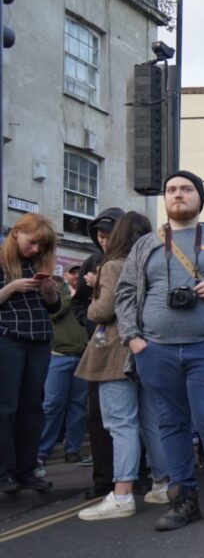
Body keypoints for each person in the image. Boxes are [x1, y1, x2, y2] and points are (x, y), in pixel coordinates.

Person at [115, 170, 204, 531]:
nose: (177, 195)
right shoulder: (145, 245)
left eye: (186, 189)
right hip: (155, 350)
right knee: (171, 424)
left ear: (200, 197)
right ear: (165, 198)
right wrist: (134, 339)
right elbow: (126, 292)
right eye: (171, 190)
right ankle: (183, 499)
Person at [75, 212, 171, 520]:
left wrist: (92, 303)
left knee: (120, 424)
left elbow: (104, 311)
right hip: (150, 346)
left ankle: (122, 495)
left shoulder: (113, 265)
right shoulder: (155, 263)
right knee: (151, 421)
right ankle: (163, 483)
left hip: (115, 350)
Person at [0, 213, 61, 494]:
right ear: (16, 233)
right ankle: (5, 473)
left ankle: (26, 470)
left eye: (41, 246)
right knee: (6, 408)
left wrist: (50, 293)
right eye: (32, 242)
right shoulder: (3, 262)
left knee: (33, 408)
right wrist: (11, 287)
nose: (36, 249)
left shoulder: (39, 264)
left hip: (39, 340)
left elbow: (53, 309)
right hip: (8, 339)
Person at [70, 206, 123, 500]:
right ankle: (103, 479)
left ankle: (136, 473)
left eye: (108, 236)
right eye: (99, 236)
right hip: (100, 346)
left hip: (128, 344)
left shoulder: (133, 260)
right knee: (98, 414)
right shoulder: (91, 261)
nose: (103, 241)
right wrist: (94, 324)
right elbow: (78, 304)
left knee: (129, 415)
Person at [37, 274, 89, 468]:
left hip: (82, 355)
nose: (76, 276)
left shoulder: (83, 295)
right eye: (72, 273)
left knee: (79, 407)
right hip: (58, 355)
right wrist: (70, 296)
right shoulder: (60, 295)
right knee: (52, 406)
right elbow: (54, 313)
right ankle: (42, 451)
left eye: (79, 272)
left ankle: (73, 450)